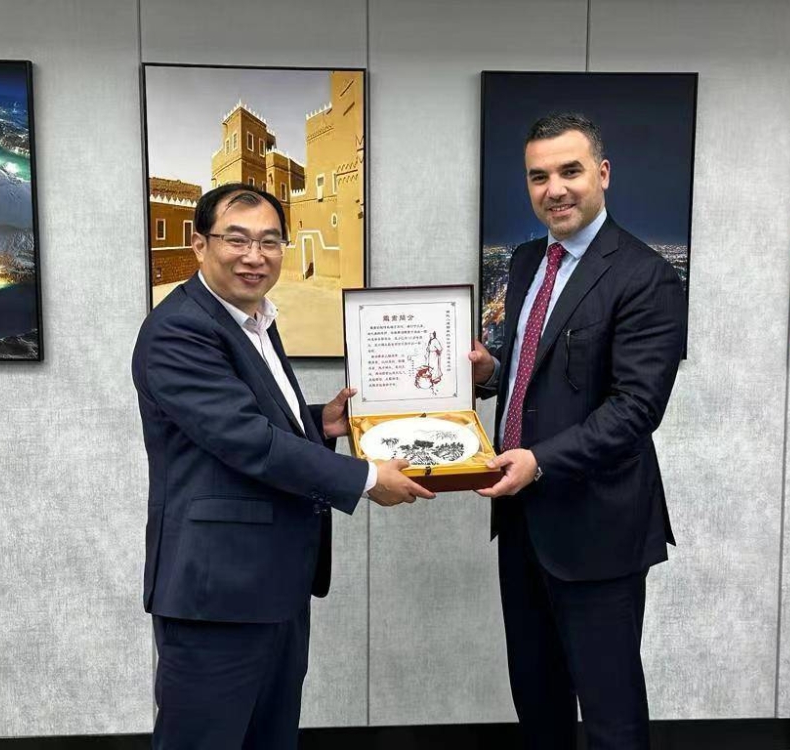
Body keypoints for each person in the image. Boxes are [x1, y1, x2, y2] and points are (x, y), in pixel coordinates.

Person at [132, 183, 433, 749]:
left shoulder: (254, 320)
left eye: (270, 241)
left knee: (270, 738)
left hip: (273, 581)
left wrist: (320, 423)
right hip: (217, 592)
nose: (255, 256)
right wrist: (368, 478)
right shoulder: (179, 329)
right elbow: (247, 440)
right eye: (237, 240)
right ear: (199, 245)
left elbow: (254, 420)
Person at [470, 113, 686, 749]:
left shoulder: (646, 276)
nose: (554, 189)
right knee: (536, 697)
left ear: (603, 173)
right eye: (539, 177)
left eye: (570, 171)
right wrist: (492, 374)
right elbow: (542, 371)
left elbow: (634, 409)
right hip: (521, 518)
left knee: (610, 708)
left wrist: (537, 461)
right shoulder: (526, 260)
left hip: (598, 524)